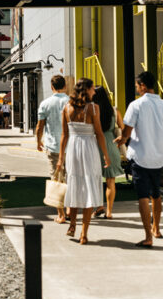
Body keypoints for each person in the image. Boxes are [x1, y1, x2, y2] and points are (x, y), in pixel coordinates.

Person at [115, 71, 163, 248]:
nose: (136, 89)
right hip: (158, 158)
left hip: (140, 157)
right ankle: (156, 229)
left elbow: (126, 132)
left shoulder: (136, 105)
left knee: (143, 196)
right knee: (156, 194)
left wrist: (121, 140)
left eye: (136, 86)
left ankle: (148, 236)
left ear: (142, 85)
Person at [57, 78, 109, 245]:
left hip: (72, 148)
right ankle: (84, 234)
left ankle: (72, 224)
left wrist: (60, 158)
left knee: (74, 185)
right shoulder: (93, 108)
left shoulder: (66, 108)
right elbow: (100, 133)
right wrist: (106, 155)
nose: (95, 91)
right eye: (93, 88)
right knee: (89, 188)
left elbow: (64, 136)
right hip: (89, 149)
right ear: (87, 90)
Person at [36, 75, 70, 224]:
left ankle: (61, 214)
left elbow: (40, 126)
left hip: (52, 145)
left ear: (52, 87)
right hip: (70, 146)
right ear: (65, 86)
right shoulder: (71, 102)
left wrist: (38, 141)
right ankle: (69, 209)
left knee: (56, 177)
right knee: (70, 177)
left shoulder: (45, 103)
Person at [91, 86, 124, 219]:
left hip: (94, 145)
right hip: (111, 144)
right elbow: (123, 128)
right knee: (111, 181)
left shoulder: (91, 111)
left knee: (95, 180)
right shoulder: (114, 111)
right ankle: (109, 211)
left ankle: (99, 206)